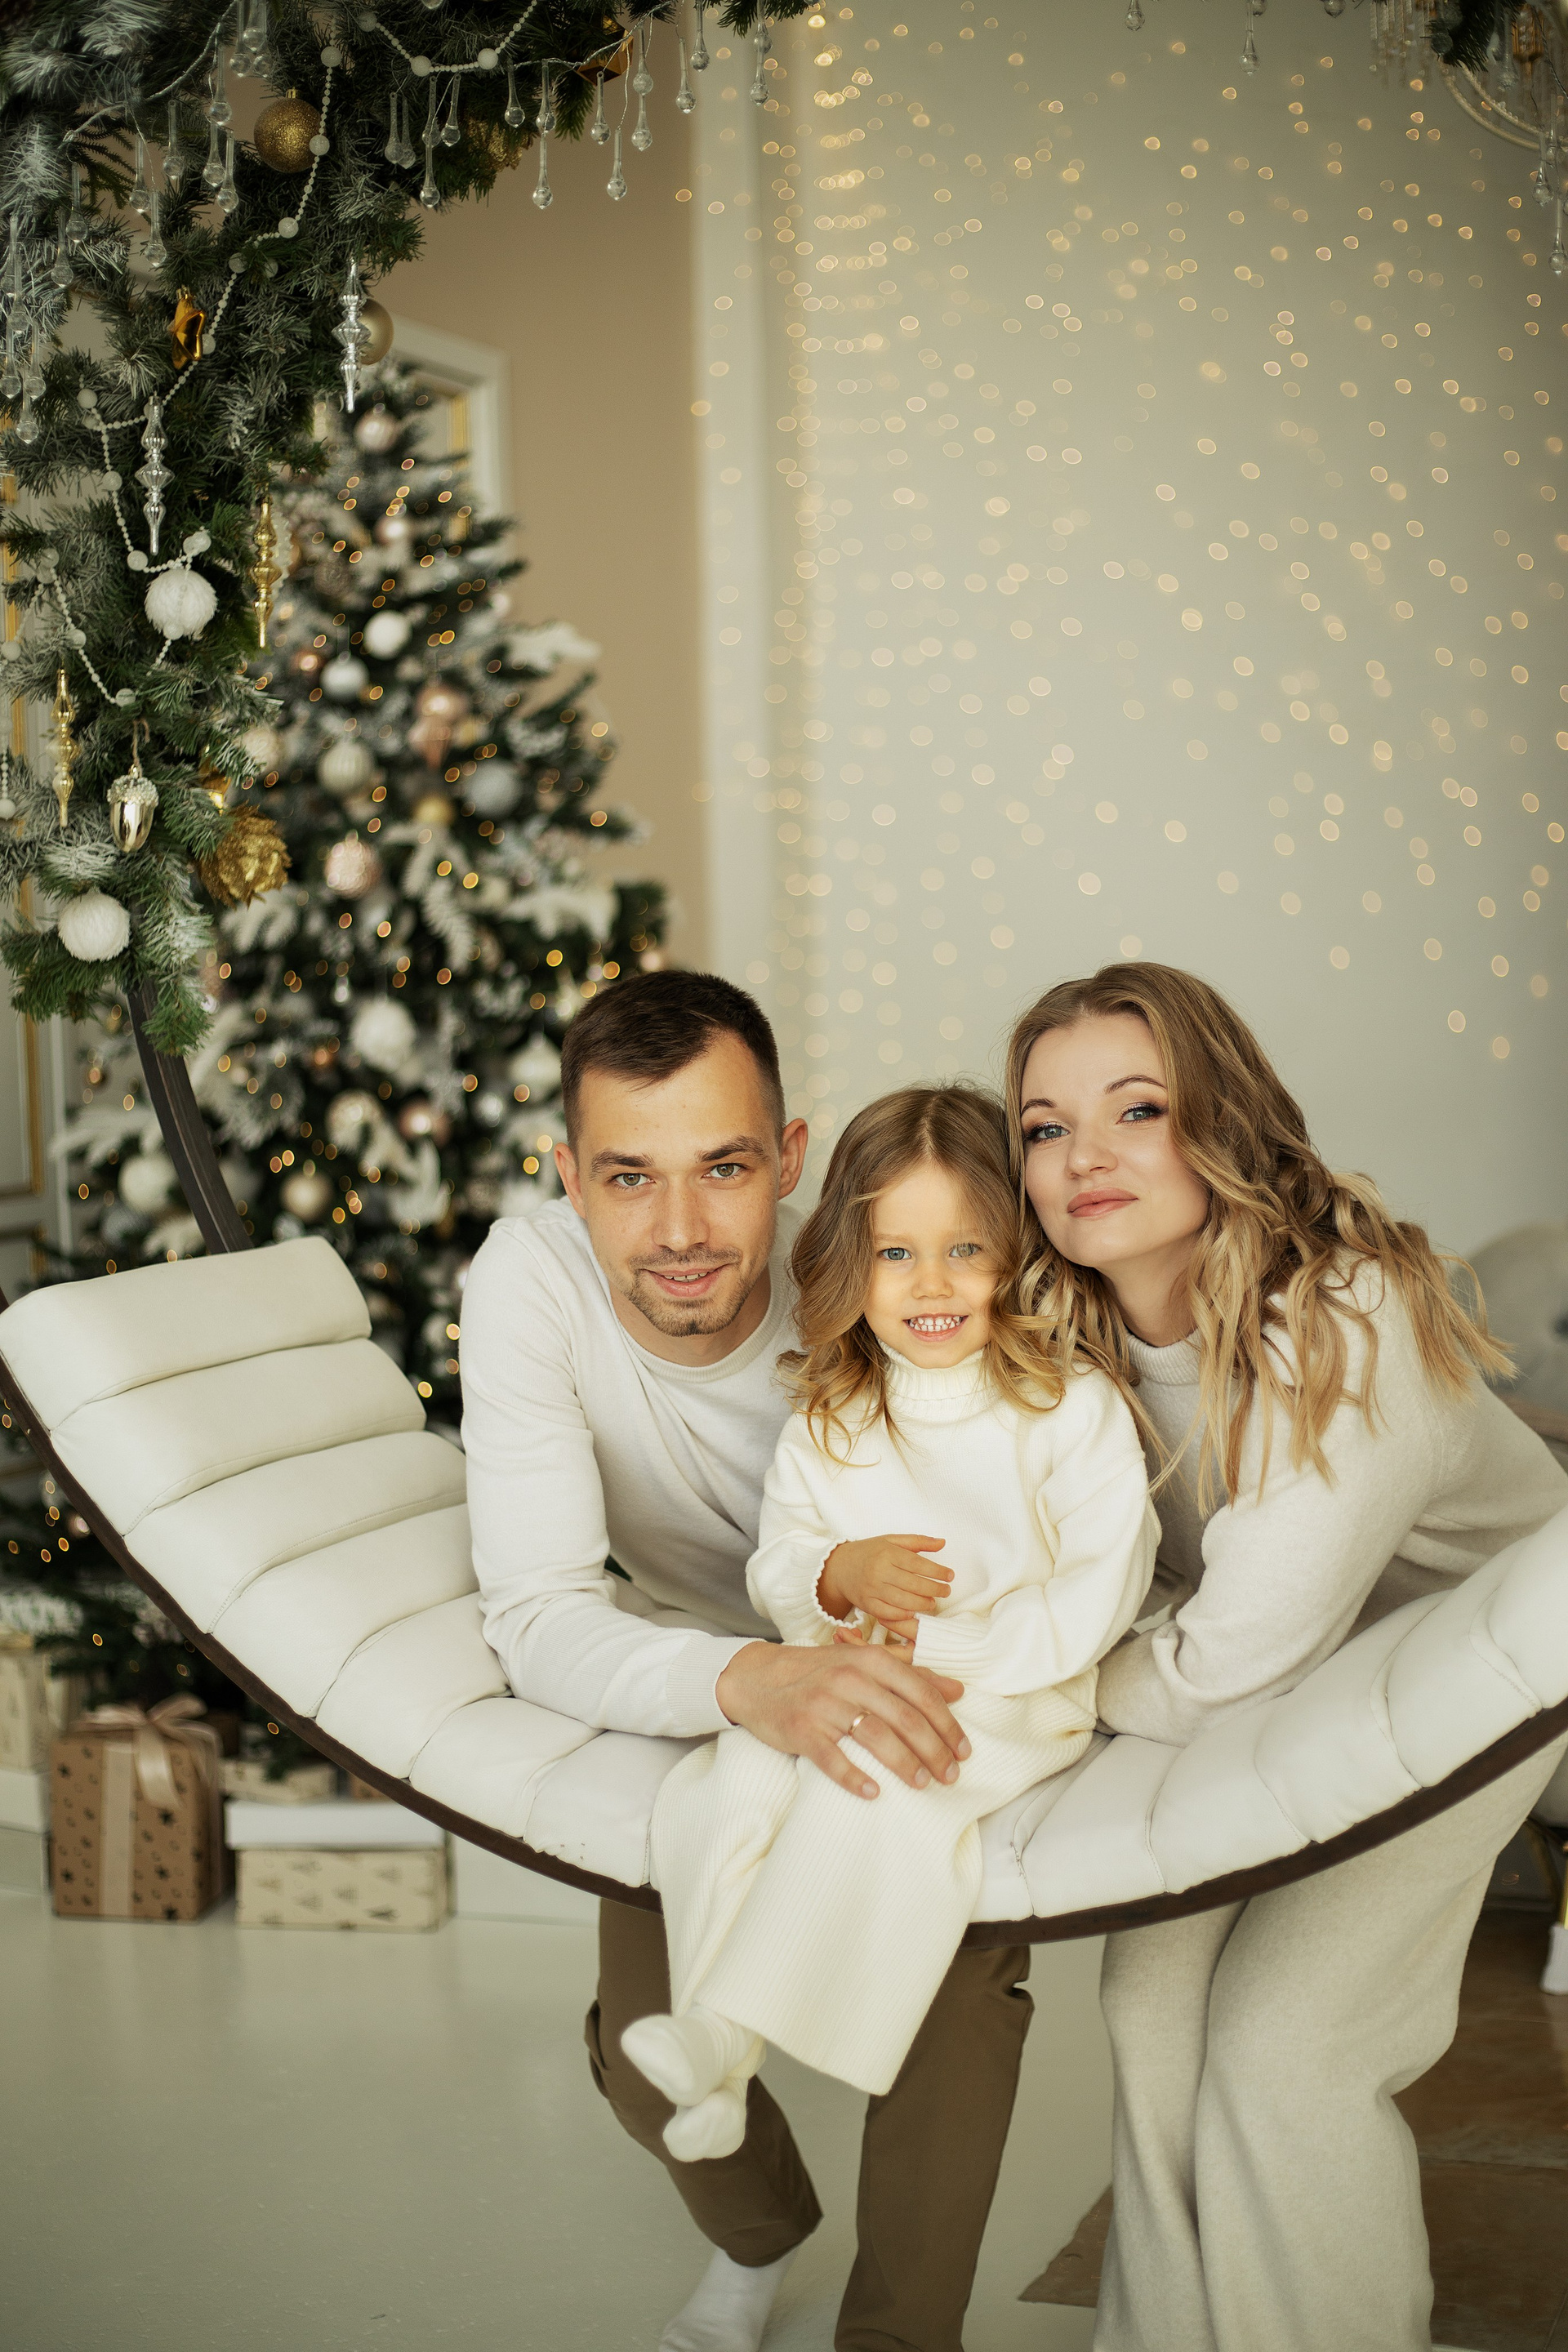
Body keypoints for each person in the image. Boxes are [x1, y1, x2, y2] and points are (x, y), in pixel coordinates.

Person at [460, 972, 1034, 2352]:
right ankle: (761, 2241)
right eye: (628, 1178)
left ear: (788, 1159)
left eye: (722, 1169)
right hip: (705, 1670)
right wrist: (751, 1682)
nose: (679, 1232)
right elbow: (537, 1611)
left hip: (931, 1656)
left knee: (955, 1988)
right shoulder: (529, 1283)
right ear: (569, 1180)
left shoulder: (884, 1263)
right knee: (643, 2050)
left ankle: (897, 2339)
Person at [1004, 960, 1568, 2352]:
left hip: (1472, 1670)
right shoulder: (1062, 1337)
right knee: (1149, 2007)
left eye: (1137, 1109)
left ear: (1224, 1120)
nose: (1084, 1156)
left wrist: (1034, 1682)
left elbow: (1226, 1662)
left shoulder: (1348, 1317)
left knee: (1288, 2045)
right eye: (1044, 1125)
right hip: (1273, 1677)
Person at [622, 1085, 1156, 2155]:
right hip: (849, 1678)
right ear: (848, 1265)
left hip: (1011, 1690)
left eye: (965, 1250)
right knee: (732, 1778)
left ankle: (724, 2033)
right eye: (897, 1254)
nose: (932, 1284)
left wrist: (945, 1644)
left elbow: (1101, 1588)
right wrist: (837, 1574)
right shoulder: (834, 1415)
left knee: (868, 1785)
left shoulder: (1068, 1407)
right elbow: (779, 1567)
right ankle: (716, 2079)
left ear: (1015, 1252)